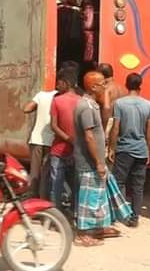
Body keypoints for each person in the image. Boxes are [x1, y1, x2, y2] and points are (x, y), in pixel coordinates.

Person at [73, 71, 133, 246]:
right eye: (102, 84)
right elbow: (89, 137)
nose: (105, 87)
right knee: (89, 199)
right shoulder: (85, 107)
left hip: (95, 161)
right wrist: (98, 162)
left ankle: (98, 228)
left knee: (98, 197)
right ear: (93, 87)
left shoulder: (92, 105)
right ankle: (82, 234)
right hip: (89, 163)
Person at [108, 73, 150, 227]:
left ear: (126, 85)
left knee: (119, 181)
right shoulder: (147, 105)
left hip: (124, 149)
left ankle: (119, 213)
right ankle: (135, 217)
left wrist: (111, 148)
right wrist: (147, 148)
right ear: (140, 85)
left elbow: (115, 128)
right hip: (141, 149)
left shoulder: (120, 104)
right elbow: (149, 130)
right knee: (138, 185)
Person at [48, 66, 81, 207]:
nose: (56, 86)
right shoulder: (83, 101)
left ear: (66, 83)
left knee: (56, 186)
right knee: (77, 186)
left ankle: (56, 215)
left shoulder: (57, 101)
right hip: (77, 151)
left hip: (58, 150)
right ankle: (76, 214)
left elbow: (54, 126)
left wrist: (67, 139)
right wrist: (75, 142)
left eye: (59, 82)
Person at [23, 85, 58, 198]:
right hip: (52, 140)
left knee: (34, 173)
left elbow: (26, 108)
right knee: (46, 173)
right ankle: (43, 200)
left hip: (36, 139)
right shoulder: (60, 97)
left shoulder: (41, 95)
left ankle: (32, 198)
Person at [98, 63, 128, 131]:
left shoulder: (106, 89)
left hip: (109, 124)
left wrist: (104, 128)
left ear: (101, 75)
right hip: (121, 125)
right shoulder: (123, 89)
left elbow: (106, 108)